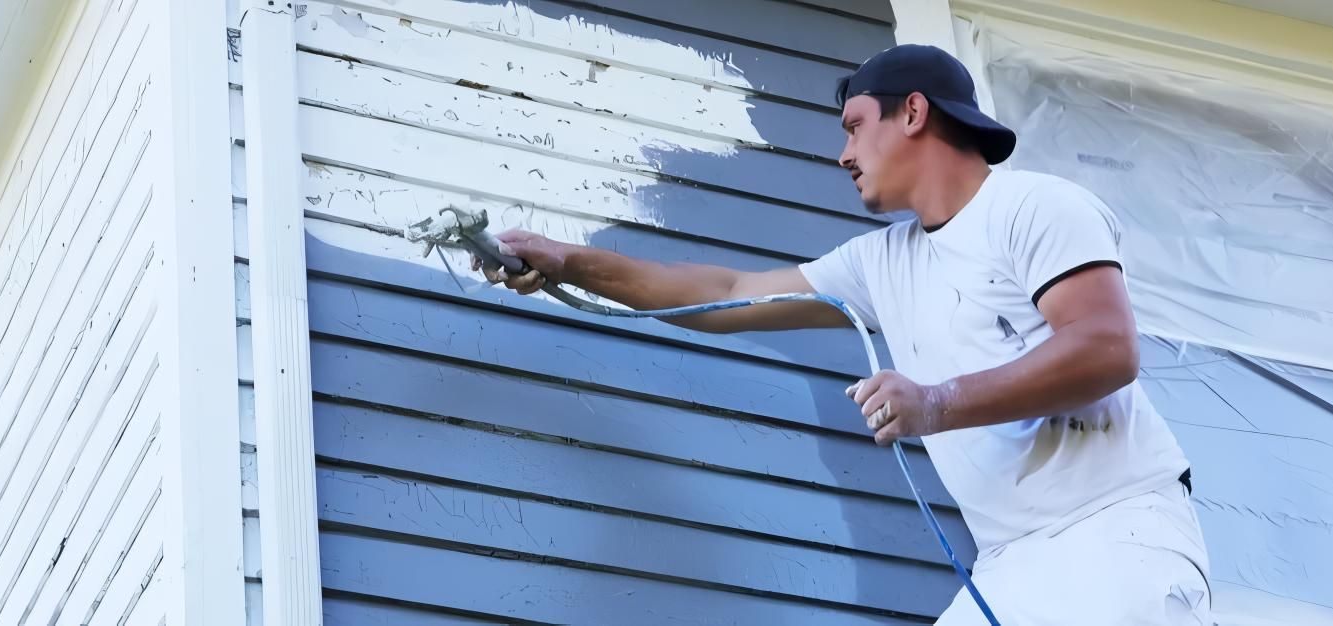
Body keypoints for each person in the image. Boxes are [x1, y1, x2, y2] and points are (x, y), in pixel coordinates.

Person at [473, 44, 1211, 625]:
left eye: (856, 126)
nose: (843, 154)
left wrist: (936, 404)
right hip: (1011, 565)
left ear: (914, 112)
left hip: (1116, 535)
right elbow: (724, 293)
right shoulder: (881, 262)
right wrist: (570, 261)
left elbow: (1106, 349)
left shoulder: (1033, 207)